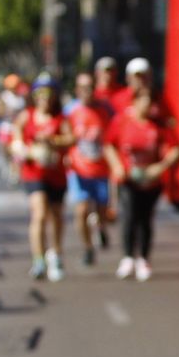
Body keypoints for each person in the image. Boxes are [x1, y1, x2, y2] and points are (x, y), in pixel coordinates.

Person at [105, 87, 179, 282]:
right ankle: (128, 256)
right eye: (143, 102)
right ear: (135, 102)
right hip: (129, 178)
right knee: (130, 216)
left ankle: (144, 259)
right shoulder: (122, 121)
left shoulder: (158, 125)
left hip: (151, 180)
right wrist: (117, 166)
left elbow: (177, 149)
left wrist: (160, 167)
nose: (147, 106)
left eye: (150, 103)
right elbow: (108, 145)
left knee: (145, 219)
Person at [14, 72, 74, 282]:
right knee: (39, 214)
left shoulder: (60, 119)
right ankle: (38, 258)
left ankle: (55, 254)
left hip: (56, 174)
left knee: (56, 215)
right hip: (34, 173)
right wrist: (27, 151)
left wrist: (52, 141)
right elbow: (16, 140)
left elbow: (70, 139)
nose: (45, 98)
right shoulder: (26, 116)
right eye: (40, 93)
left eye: (49, 94)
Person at [65, 71, 114, 266]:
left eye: (90, 87)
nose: (87, 91)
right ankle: (87, 247)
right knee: (81, 211)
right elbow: (63, 135)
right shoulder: (70, 111)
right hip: (79, 169)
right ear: (77, 90)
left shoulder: (105, 109)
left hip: (101, 169)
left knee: (103, 212)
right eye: (82, 87)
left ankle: (101, 228)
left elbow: (115, 133)